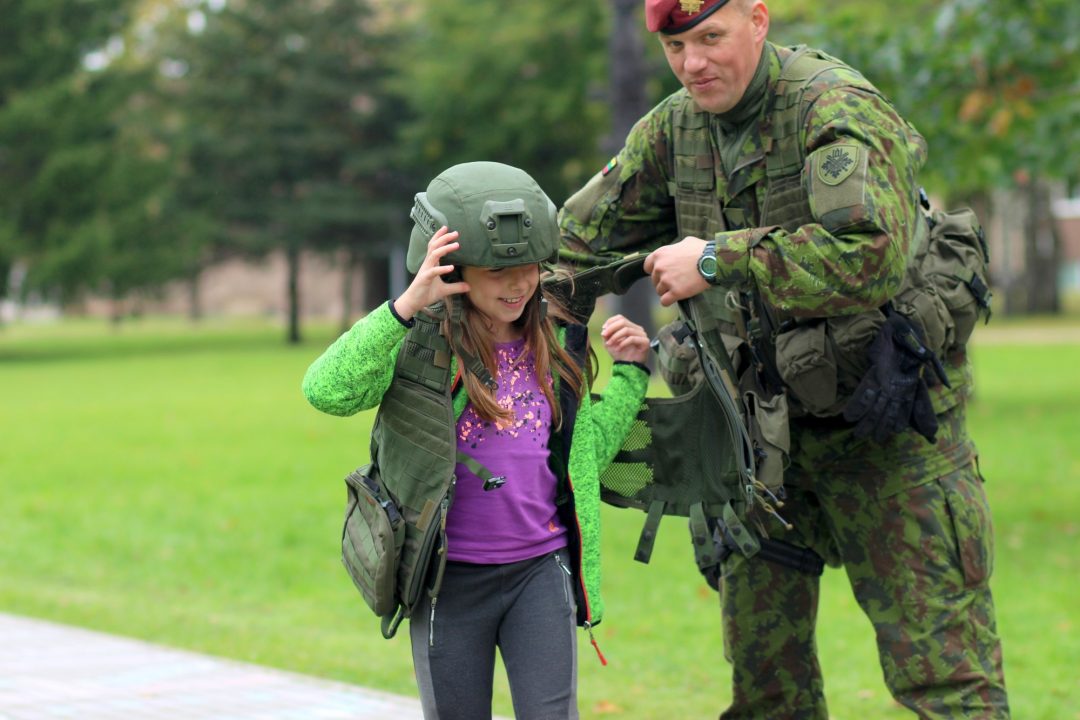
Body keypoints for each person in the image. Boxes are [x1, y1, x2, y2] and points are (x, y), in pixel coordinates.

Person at [557, 0, 1009, 717]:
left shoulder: (834, 108)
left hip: (889, 434)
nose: (693, 63)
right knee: (767, 690)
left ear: (758, 21)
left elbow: (872, 255)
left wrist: (715, 259)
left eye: (711, 37)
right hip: (760, 450)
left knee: (945, 681)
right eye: (676, 47)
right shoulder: (675, 130)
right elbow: (575, 243)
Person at [302, 161, 651, 720]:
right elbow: (326, 390)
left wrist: (632, 373)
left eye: (528, 267)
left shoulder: (554, 343)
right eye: (497, 271)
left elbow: (580, 457)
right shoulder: (419, 345)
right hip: (448, 582)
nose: (517, 285)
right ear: (452, 268)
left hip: (541, 573)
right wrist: (404, 307)